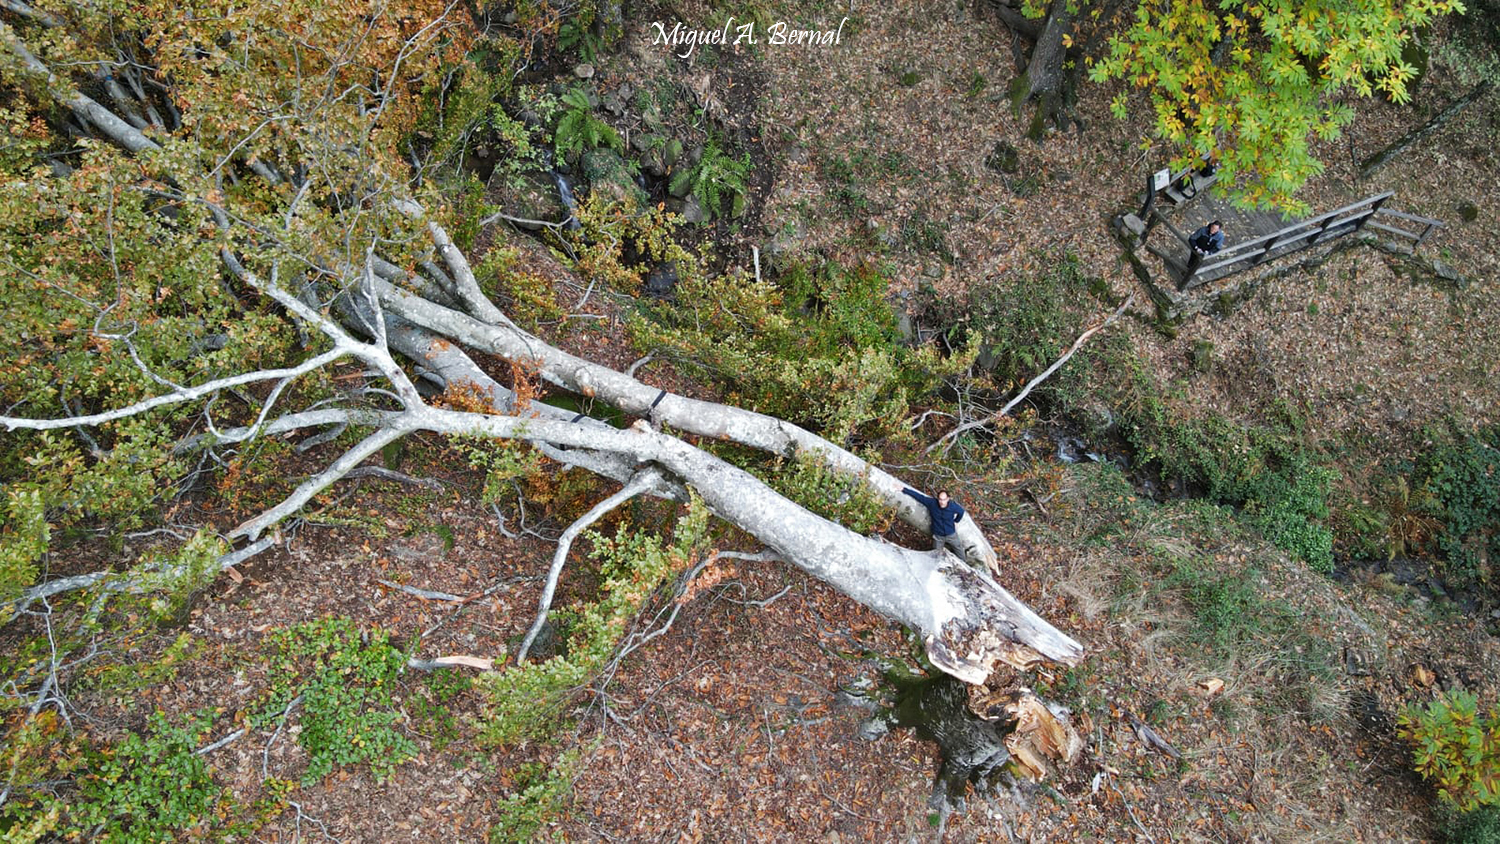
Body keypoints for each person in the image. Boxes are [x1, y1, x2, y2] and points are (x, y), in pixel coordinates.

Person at [901, 487, 966, 557]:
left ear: (948, 499)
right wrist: (904, 489)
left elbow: (961, 512)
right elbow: (919, 497)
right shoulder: (932, 503)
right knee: (935, 554)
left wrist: (956, 520)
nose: (942, 502)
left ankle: (964, 563)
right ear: (938, 499)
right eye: (940, 499)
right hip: (938, 535)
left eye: (944, 499)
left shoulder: (953, 506)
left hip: (951, 534)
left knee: (959, 550)